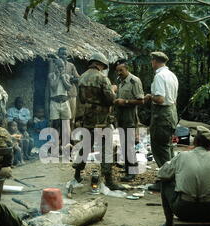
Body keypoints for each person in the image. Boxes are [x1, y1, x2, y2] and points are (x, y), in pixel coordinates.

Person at [158, 126, 210, 226]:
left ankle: (169, 223)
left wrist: (178, 177)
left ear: (195, 142)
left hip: (183, 211)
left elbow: (162, 174)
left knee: (165, 183)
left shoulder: (182, 156)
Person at [73, 52, 125, 191]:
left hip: (87, 117)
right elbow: (110, 99)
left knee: (86, 146)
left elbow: (81, 99)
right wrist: (113, 90)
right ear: (100, 64)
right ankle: (108, 180)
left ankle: (77, 173)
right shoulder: (102, 78)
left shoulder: (82, 77)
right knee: (106, 148)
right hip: (101, 119)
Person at [144, 52, 179, 192]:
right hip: (172, 112)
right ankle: (172, 177)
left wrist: (149, 96)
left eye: (152, 60)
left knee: (159, 148)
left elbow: (160, 99)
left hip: (162, 114)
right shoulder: (171, 75)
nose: (151, 63)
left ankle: (165, 181)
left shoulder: (159, 76)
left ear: (155, 61)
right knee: (168, 146)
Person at [114, 61, 145, 182]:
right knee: (124, 143)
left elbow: (141, 100)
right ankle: (128, 168)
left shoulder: (134, 81)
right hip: (121, 117)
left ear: (127, 69)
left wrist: (125, 102)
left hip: (130, 117)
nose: (119, 73)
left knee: (129, 144)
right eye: (117, 71)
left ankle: (132, 171)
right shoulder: (121, 82)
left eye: (121, 70)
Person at [48, 58, 72, 151]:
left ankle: (65, 146)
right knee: (55, 124)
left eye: (62, 66)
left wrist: (63, 78)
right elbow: (53, 87)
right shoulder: (51, 75)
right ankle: (54, 146)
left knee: (66, 125)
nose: (61, 68)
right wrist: (58, 76)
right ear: (55, 66)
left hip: (65, 103)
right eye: (59, 66)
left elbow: (68, 87)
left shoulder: (66, 76)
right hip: (54, 103)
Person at [57, 47, 80, 128]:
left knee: (71, 118)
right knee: (60, 118)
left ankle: (71, 137)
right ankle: (61, 137)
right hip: (60, 96)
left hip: (71, 95)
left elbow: (78, 79)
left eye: (65, 54)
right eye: (61, 54)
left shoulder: (71, 66)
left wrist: (70, 79)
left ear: (67, 56)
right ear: (58, 55)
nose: (63, 56)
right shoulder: (54, 65)